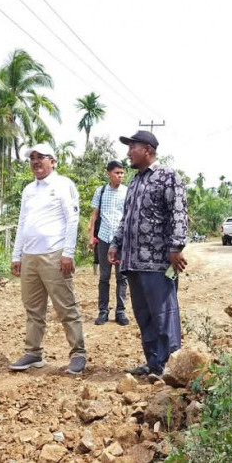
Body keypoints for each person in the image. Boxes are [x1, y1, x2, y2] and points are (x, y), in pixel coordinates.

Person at [108, 130, 188, 379]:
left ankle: (172, 368)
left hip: (157, 262)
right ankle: (154, 364)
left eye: (133, 147)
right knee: (144, 316)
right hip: (132, 261)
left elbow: (178, 213)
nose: (128, 152)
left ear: (148, 150)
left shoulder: (167, 176)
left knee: (164, 314)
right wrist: (115, 243)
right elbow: (127, 218)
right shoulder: (134, 181)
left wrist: (176, 248)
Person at [8, 143, 87, 375]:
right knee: (33, 309)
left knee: (66, 307)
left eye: (40, 157)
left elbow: (72, 220)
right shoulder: (28, 190)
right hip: (30, 256)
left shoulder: (64, 185)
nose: (35, 161)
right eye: (32, 158)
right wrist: (17, 254)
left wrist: (68, 253)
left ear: (52, 161)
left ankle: (78, 354)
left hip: (54, 254)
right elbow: (22, 223)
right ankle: (33, 353)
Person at [88, 160, 129, 326]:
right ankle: (103, 311)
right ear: (108, 174)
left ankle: (121, 312)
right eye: (117, 173)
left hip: (122, 240)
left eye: (122, 173)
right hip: (104, 238)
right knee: (104, 277)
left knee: (122, 276)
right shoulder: (101, 191)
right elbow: (94, 216)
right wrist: (91, 237)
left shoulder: (127, 191)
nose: (120, 176)